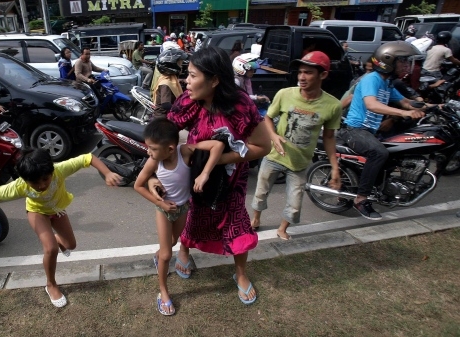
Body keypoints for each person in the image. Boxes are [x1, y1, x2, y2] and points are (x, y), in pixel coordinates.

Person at [148, 46, 272, 305]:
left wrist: (220, 161)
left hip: (230, 182)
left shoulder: (240, 105)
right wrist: (151, 175)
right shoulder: (189, 101)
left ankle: (240, 274)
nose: (186, 82)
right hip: (194, 177)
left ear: (215, 80)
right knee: (191, 217)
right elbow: (162, 138)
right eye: (187, 75)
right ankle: (183, 250)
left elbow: (263, 147)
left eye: (193, 76)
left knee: (236, 224)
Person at [0, 148, 122, 308]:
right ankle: (51, 285)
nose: (41, 185)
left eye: (45, 179)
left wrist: (107, 173)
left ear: (52, 170)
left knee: (70, 245)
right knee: (51, 249)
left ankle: (57, 240)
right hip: (37, 213)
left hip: (57, 210)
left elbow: (87, 157)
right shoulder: (19, 186)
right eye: (34, 182)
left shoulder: (59, 170)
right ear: (25, 180)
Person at [134, 118, 225, 316]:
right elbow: (138, 185)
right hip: (164, 210)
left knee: (174, 242)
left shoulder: (184, 151)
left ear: (170, 148)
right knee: (168, 254)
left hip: (183, 208)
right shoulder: (154, 161)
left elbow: (217, 146)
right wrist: (160, 203)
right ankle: (164, 293)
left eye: (152, 148)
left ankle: (159, 256)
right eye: (148, 147)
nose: (148, 151)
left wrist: (205, 174)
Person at [250, 51, 342, 238]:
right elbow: (267, 118)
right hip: (275, 155)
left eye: (308, 73)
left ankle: (282, 228)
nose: (301, 77)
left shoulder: (332, 105)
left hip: (300, 163)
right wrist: (274, 136)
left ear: (322, 75)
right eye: (300, 72)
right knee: (261, 192)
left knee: (295, 201)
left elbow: (329, 138)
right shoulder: (285, 94)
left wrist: (335, 168)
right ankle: (256, 219)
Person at [340, 41, 425, 220]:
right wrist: (404, 113)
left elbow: (405, 102)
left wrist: (437, 106)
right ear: (388, 61)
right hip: (355, 129)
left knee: (398, 150)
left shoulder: (388, 84)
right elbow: (372, 105)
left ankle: (381, 188)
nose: (406, 65)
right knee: (379, 153)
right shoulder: (372, 79)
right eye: (402, 61)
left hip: (371, 131)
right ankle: (361, 199)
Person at [151, 48, 187, 118]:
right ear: (171, 65)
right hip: (163, 118)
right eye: (179, 63)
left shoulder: (169, 78)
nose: (181, 66)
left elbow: (174, 82)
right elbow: (166, 104)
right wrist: (180, 110)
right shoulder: (166, 84)